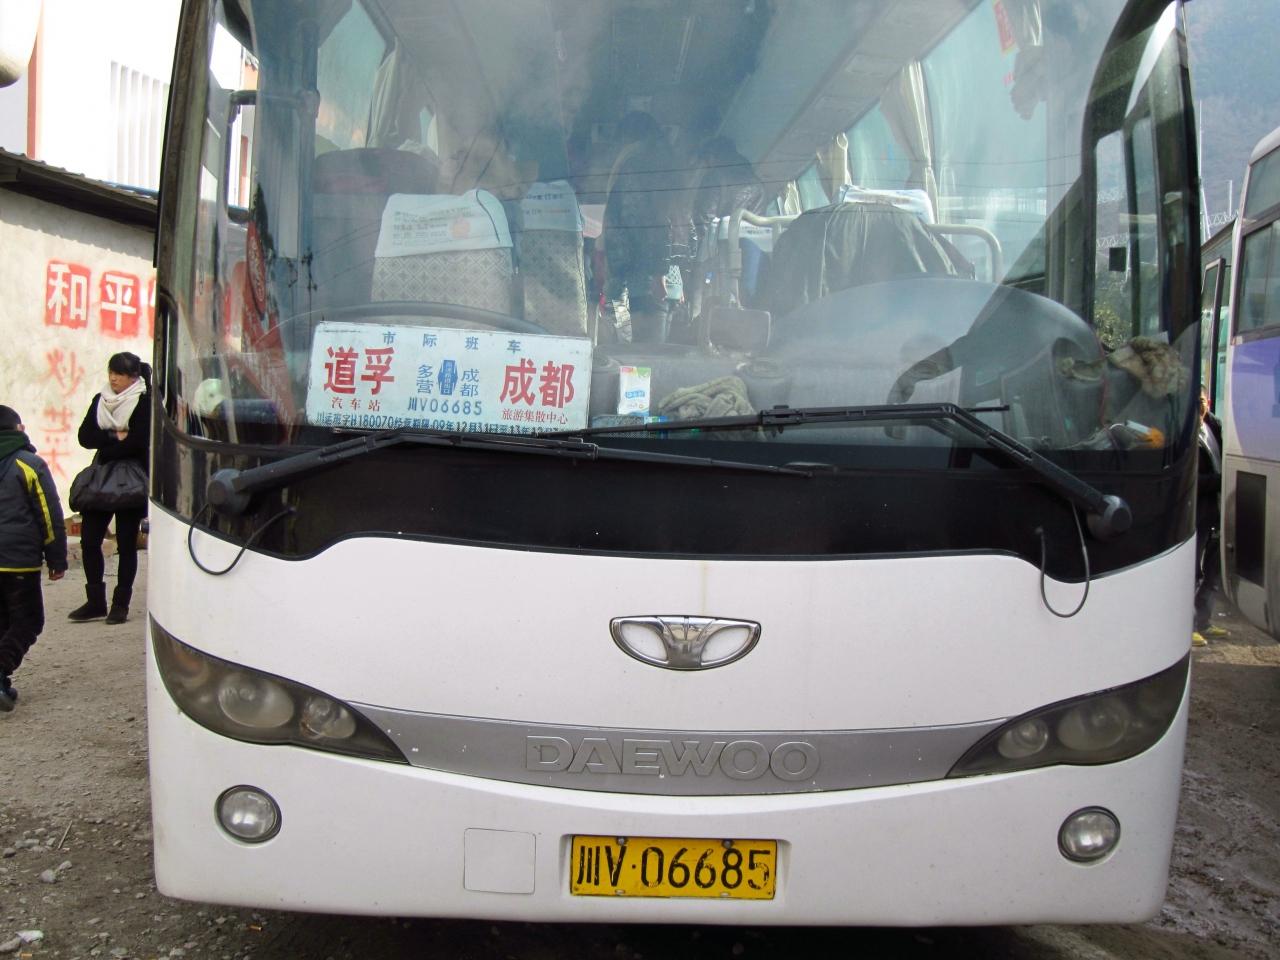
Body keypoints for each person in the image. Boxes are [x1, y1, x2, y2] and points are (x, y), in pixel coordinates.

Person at [69, 352, 151, 625]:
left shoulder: (143, 402)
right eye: (111, 373)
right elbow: (85, 437)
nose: (114, 378)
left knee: (127, 544)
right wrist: (115, 435)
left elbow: (139, 441)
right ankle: (95, 601)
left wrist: (108, 446)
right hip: (102, 479)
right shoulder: (101, 400)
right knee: (90, 540)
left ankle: (120, 604)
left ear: (133, 377)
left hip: (131, 479)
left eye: (120, 374)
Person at [0, 405, 68, 712]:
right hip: (17, 560)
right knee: (28, 621)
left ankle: (3, 683)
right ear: (19, 429)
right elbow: (49, 516)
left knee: (3, 622)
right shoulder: (28, 464)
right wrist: (56, 558)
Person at [603, 111, 689, 343]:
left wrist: (657, 274)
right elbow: (680, 226)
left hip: (643, 279)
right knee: (656, 351)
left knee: (642, 355)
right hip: (669, 278)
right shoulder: (669, 166)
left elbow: (642, 222)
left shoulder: (635, 166)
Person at [1193, 387, 1227, 646]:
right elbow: (1189, 480)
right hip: (1197, 511)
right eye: (1195, 401)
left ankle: (1204, 621)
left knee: (1214, 571)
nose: (1199, 405)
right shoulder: (1183, 434)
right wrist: (1221, 481)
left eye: (1202, 401)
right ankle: (1187, 625)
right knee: (1192, 572)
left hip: (1218, 510)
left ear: (1209, 402)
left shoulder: (1215, 426)